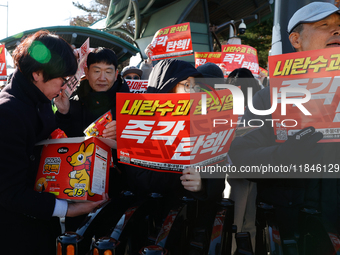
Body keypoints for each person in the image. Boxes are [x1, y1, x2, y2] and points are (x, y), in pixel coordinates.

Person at [228, 1, 340, 250]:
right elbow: (240, 155)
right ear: (296, 39)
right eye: (325, 25)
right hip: (289, 229)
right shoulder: (268, 97)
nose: (337, 31)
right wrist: (283, 155)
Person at [0, 30, 107, 255]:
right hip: (15, 231)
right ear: (38, 73)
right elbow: (10, 193)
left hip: (39, 221)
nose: (65, 86)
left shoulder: (38, 100)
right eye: (62, 79)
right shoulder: (8, 113)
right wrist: (68, 209)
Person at [55, 47, 129, 231]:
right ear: (86, 72)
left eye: (108, 72)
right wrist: (63, 113)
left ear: (116, 73)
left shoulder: (131, 104)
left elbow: (145, 146)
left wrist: (125, 134)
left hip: (121, 186)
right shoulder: (73, 98)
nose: (102, 78)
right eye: (96, 71)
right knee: (76, 236)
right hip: (79, 186)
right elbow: (64, 141)